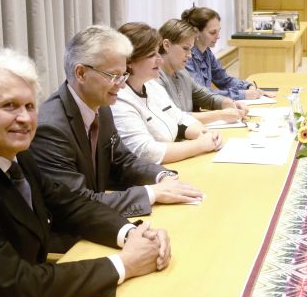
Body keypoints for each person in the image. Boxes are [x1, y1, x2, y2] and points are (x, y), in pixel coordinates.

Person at [0, 50, 171, 297]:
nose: (25, 118)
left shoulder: (14, 153)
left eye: (30, 106)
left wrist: (131, 234)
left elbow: (70, 205)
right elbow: (17, 287)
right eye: (10, 106)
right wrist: (124, 264)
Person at [30, 25, 204, 235]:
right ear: (81, 73)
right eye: (113, 75)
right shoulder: (50, 128)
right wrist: (152, 193)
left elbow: (122, 161)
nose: (121, 85)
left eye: (123, 75)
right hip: (69, 236)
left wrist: (162, 176)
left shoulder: (101, 105)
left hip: (100, 220)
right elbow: (78, 202)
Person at [112, 22, 223, 164]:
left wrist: (205, 134)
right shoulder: (119, 99)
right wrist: (200, 145)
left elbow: (180, 118)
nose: (160, 60)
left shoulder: (151, 85)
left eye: (158, 53)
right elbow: (147, 152)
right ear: (129, 61)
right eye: (152, 55)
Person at [157, 18, 248, 125]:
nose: (190, 55)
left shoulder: (182, 73)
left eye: (191, 49)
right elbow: (174, 117)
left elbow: (207, 97)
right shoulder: (155, 79)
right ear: (167, 45)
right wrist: (220, 115)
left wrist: (228, 103)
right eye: (185, 48)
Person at [182, 6, 274, 100]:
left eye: (218, 31)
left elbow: (224, 80)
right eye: (212, 32)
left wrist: (248, 87)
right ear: (196, 31)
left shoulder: (206, 52)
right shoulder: (186, 57)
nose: (218, 36)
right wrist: (243, 94)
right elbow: (202, 94)